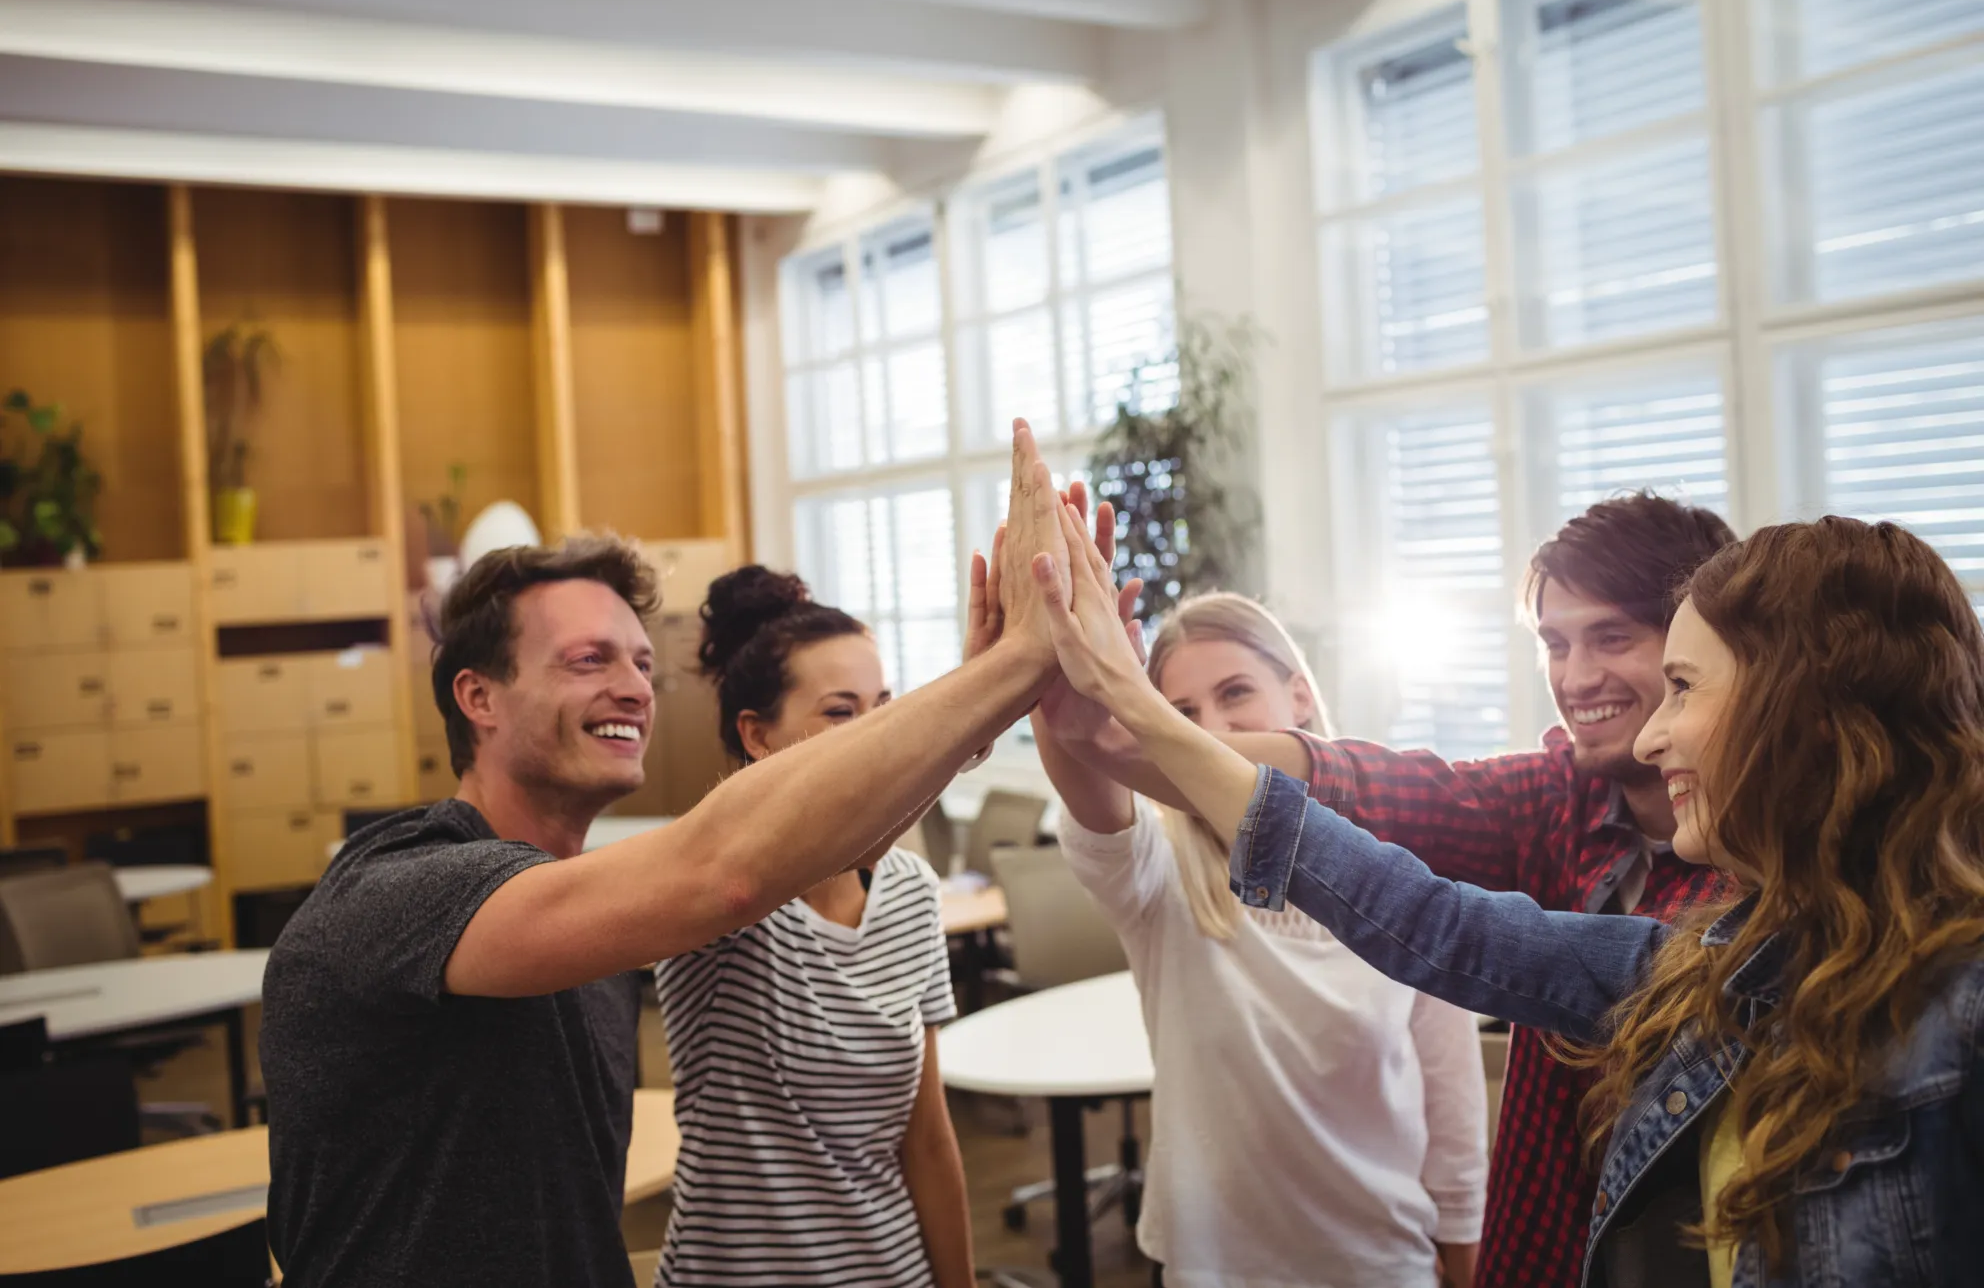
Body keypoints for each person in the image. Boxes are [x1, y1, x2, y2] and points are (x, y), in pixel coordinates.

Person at [1033, 504, 1984, 1287]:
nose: (1648, 730)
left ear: (1803, 707)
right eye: (1554, 643)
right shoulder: (1712, 959)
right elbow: (1417, 896)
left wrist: (1138, 722)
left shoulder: (1952, 1004)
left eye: (1680, 684)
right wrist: (1122, 729)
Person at [261, 425, 1072, 1288]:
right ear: (479, 696)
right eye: (589, 659)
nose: (634, 687)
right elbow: (725, 872)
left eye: (643, 663)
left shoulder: (599, 930)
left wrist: (981, 710)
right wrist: (1006, 672)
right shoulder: (397, 887)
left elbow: (848, 853)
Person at [1019, 581, 1489, 1288]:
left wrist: (1465, 1255)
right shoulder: (1158, 873)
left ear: (1299, 696)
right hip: (1216, 1266)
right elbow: (1090, 790)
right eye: (1180, 714)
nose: (1211, 729)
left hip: (1383, 1260)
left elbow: (1452, 1107)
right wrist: (1061, 685)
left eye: (1235, 692)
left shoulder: (1402, 875)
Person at [653, 566, 972, 1288]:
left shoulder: (910, 892)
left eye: (884, 706)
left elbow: (927, 1141)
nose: (877, 734)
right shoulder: (715, 893)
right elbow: (749, 860)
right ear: (757, 736)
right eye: (839, 712)